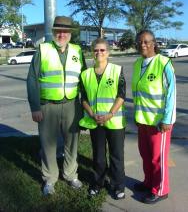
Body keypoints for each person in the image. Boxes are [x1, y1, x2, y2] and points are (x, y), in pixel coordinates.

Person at [27, 16, 86, 195]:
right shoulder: (43, 50)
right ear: (53, 32)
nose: (62, 34)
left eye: (65, 31)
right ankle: (50, 179)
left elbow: (84, 80)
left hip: (71, 105)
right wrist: (35, 107)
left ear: (70, 34)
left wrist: (85, 106)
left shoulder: (77, 51)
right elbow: (32, 79)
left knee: (72, 143)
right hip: (47, 106)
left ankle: (70, 175)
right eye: (58, 31)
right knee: (48, 145)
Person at [132, 30, 176, 204]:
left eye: (146, 41)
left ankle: (161, 189)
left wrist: (167, 119)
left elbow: (171, 94)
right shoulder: (137, 63)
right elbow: (137, 93)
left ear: (154, 43)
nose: (142, 45)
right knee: (145, 154)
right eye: (139, 42)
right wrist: (137, 115)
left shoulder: (164, 63)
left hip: (159, 122)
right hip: (143, 120)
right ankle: (149, 182)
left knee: (158, 158)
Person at [79, 38, 126, 200]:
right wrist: (92, 114)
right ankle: (97, 183)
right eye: (96, 50)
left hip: (114, 121)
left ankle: (118, 185)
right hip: (95, 121)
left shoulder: (117, 70)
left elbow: (121, 95)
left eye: (102, 50)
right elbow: (83, 98)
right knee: (98, 156)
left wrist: (110, 114)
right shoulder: (85, 74)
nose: (99, 53)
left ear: (108, 52)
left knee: (116, 156)